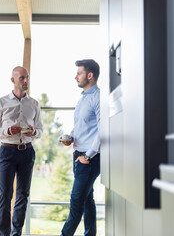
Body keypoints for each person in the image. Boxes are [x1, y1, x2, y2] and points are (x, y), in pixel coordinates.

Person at [0, 66, 43, 236]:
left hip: (27, 152)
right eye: (22, 78)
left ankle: (16, 233)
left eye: (27, 78)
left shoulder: (34, 104)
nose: (26, 81)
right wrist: (6, 131)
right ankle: (4, 234)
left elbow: (40, 130)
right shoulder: (1, 102)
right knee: (5, 195)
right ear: (13, 80)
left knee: (23, 195)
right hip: (7, 152)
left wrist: (34, 132)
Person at [59, 59, 101, 236]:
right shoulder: (83, 99)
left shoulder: (98, 98)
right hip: (78, 155)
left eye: (79, 73)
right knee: (86, 200)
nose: (75, 76)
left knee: (76, 199)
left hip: (89, 159)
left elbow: (103, 130)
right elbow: (81, 127)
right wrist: (70, 138)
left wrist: (88, 156)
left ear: (90, 75)